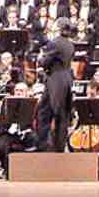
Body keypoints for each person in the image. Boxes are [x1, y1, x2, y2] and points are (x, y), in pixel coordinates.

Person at [37, 18, 75, 152]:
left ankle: (43, 146)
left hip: (55, 79)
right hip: (66, 79)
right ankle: (59, 147)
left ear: (58, 27)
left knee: (47, 113)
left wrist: (40, 58)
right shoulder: (70, 44)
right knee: (62, 114)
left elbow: (45, 62)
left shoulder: (54, 43)